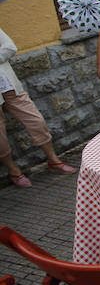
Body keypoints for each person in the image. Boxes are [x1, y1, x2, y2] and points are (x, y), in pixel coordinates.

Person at [0, 26, 77, 188]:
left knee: (36, 121)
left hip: (10, 86)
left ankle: (53, 160)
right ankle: (14, 172)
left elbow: (10, 47)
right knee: (0, 139)